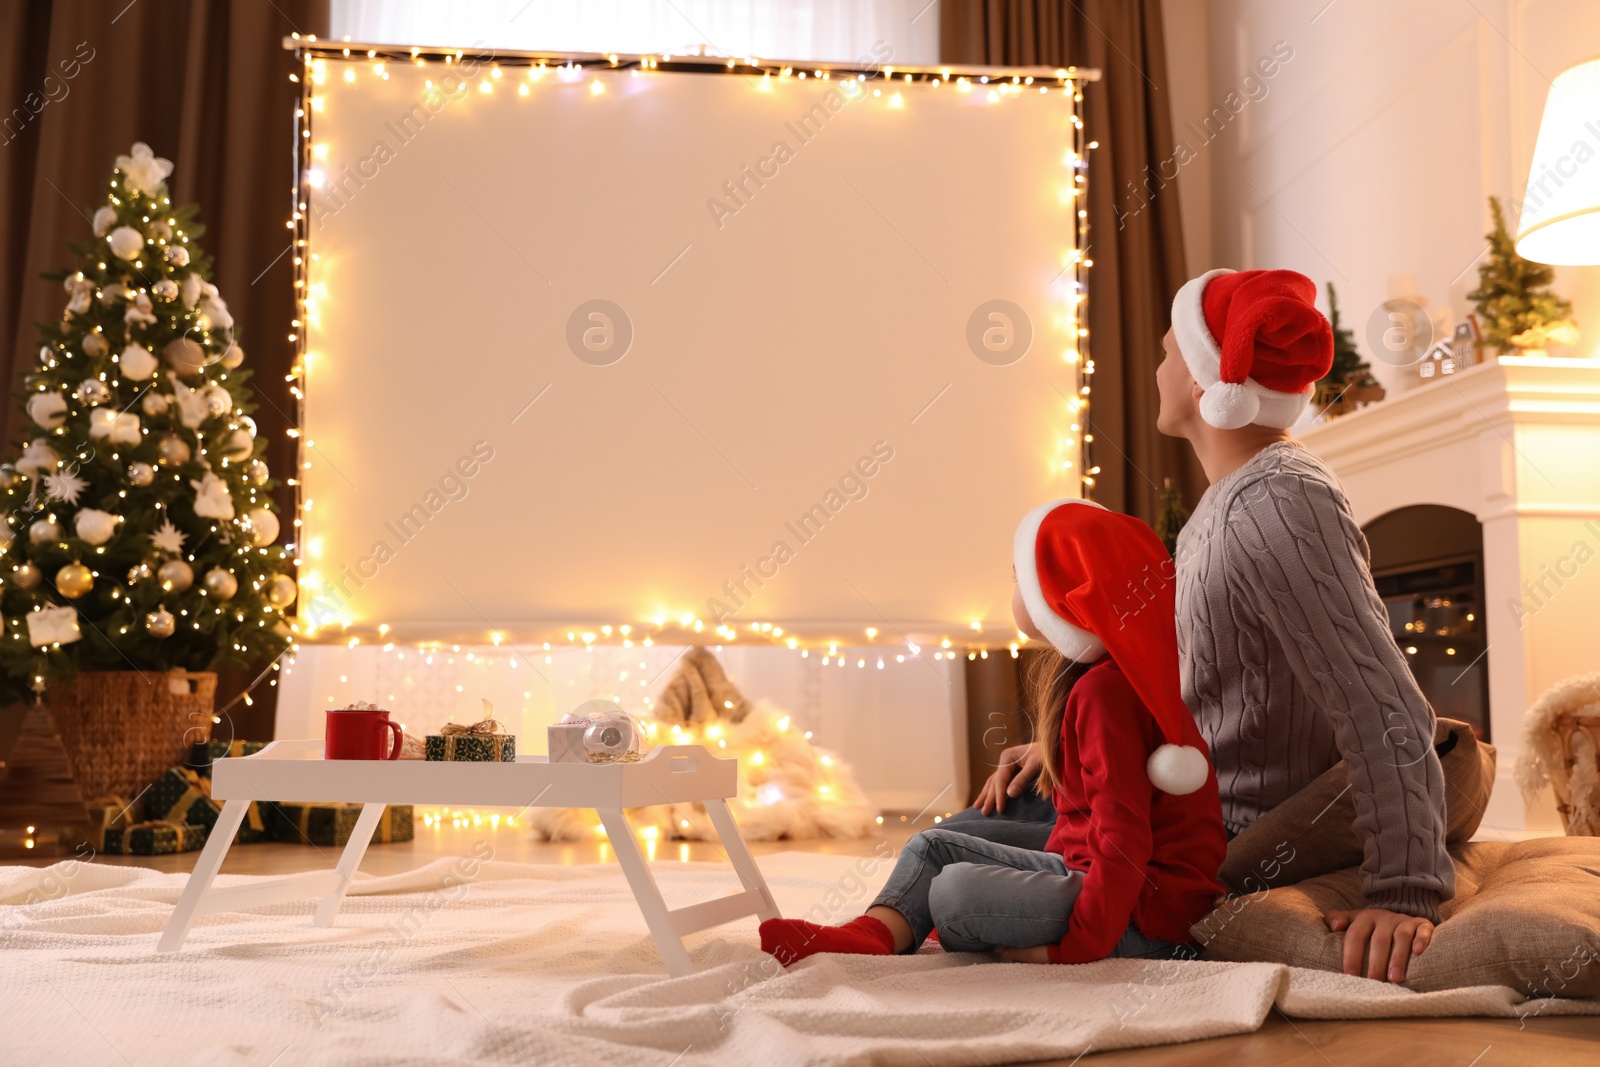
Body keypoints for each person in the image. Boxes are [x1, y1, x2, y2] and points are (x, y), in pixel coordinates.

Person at [946, 269, 1453, 984]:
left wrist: (1405, 890)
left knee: (955, 866)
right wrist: (1073, 744)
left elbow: (1380, 700)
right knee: (960, 835)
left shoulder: (1281, 502)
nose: (1155, 368)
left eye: (1165, 352)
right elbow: (1187, 686)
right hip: (1181, 791)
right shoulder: (1221, 507)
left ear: (1202, 380)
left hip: (1225, 829)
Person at [759, 501, 1227, 965]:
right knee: (932, 846)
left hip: (1146, 916)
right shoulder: (1102, 680)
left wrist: (1073, 947)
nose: (1014, 592)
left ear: (1065, 596)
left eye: (1019, 581)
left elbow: (1122, 844)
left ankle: (985, 919)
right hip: (1088, 872)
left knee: (955, 895)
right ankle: (871, 936)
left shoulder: (1105, 694)